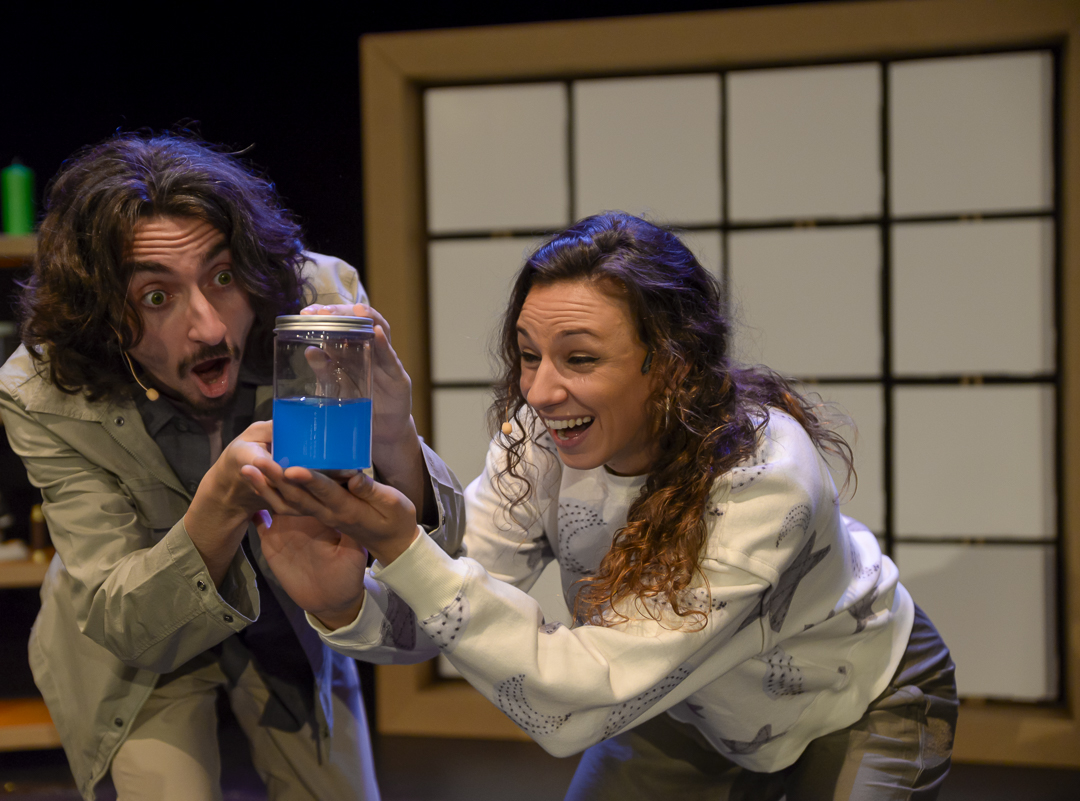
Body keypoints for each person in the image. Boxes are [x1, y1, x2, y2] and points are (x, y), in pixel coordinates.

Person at [245, 213, 959, 799]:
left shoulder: (763, 480)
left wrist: (404, 549)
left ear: (672, 362)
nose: (540, 391)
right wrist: (343, 601)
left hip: (852, 697)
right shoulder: (540, 439)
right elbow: (448, 605)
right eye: (529, 355)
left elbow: (579, 698)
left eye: (579, 358)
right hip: (681, 703)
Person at [0, 132, 464, 801]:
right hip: (145, 629)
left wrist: (395, 439)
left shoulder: (316, 304)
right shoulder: (45, 389)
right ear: (101, 314)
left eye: (222, 276)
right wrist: (218, 506)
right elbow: (125, 620)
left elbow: (437, 575)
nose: (210, 328)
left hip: (292, 607)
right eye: (157, 297)